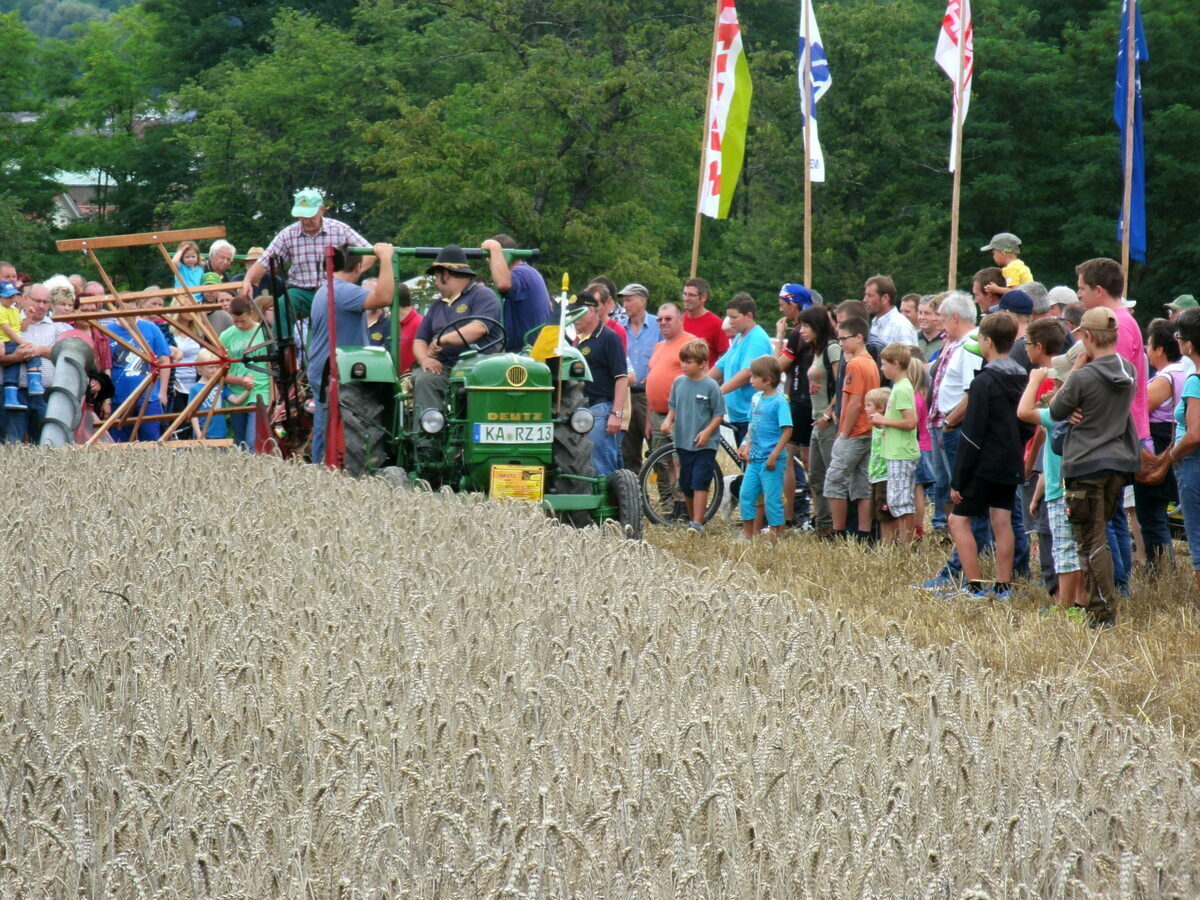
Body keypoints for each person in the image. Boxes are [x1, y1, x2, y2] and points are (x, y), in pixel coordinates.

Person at [1048, 306, 1141, 628]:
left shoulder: (1083, 376)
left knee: (1091, 542)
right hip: (1117, 463)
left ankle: (1102, 613)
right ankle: (1107, 601)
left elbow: (1056, 409)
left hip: (1085, 464)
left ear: (1087, 336)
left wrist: (1076, 369)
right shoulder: (1129, 370)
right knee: (1103, 536)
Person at [947, 312, 1032, 599]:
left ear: (987, 342)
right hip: (1010, 460)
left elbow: (972, 433)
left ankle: (973, 585)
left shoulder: (984, 382)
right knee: (1002, 521)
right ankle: (1003, 585)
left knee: (958, 521)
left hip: (983, 463)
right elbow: (1027, 423)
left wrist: (958, 478)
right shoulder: (1022, 376)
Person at [1075, 258, 1151, 574]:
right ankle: (1118, 581)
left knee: (1103, 515)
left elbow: (1109, 383)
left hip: (1113, 432)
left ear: (1099, 290)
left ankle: (1115, 581)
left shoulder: (1116, 326)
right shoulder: (1122, 321)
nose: (1078, 295)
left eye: (1081, 288)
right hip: (1118, 430)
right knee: (1112, 512)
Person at [240, 189, 374, 336]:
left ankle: (347, 344)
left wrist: (350, 275)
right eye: (301, 217)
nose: (305, 220)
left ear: (321, 210)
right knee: (282, 306)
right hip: (301, 292)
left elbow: (370, 253)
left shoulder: (339, 229)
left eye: (310, 216)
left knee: (350, 309)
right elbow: (264, 261)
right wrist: (248, 280)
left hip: (335, 290)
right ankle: (285, 347)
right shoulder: (287, 234)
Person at [306, 243, 395, 464]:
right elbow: (385, 297)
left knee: (323, 428)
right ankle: (322, 470)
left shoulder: (329, 287)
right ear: (357, 268)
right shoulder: (344, 292)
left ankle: (319, 470)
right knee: (327, 432)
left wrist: (375, 252)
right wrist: (386, 258)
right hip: (337, 372)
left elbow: (360, 264)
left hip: (323, 366)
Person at [1017, 324, 1082, 613]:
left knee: (1065, 553)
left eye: (1057, 386)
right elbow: (1048, 465)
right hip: (1057, 488)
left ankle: (1066, 605)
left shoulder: (1059, 416)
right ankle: (1078, 602)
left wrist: (1035, 380)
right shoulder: (1074, 415)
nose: (1052, 389)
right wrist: (1036, 496)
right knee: (1076, 550)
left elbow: (1023, 411)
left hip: (1061, 493)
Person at [412, 245, 502, 417]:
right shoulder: (437, 306)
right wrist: (425, 359)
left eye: (436, 277)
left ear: (445, 274)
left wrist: (442, 339)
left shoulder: (483, 295)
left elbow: (478, 328)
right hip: (445, 369)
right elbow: (420, 340)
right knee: (425, 379)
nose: (436, 283)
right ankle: (429, 431)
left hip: (481, 368)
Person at [661, 338, 725, 533]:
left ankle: (697, 523)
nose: (684, 365)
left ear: (702, 364)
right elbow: (673, 407)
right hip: (683, 442)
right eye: (682, 361)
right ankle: (692, 520)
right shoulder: (678, 383)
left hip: (704, 445)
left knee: (700, 482)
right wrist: (668, 420)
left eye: (688, 362)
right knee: (686, 484)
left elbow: (718, 414)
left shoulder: (711, 386)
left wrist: (707, 432)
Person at [824, 316, 880, 539]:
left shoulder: (855, 364)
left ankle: (838, 531)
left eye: (844, 339)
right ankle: (864, 532)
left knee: (834, 481)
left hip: (854, 432)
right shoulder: (871, 362)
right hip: (869, 430)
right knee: (862, 484)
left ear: (859, 337)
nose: (841, 344)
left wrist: (844, 433)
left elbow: (855, 402)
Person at [1140, 319, 1188, 572]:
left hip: (1156, 448)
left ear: (1160, 349)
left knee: (1151, 516)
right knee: (1158, 513)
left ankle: (1160, 569)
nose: (1147, 351)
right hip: (1173, 445)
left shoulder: (1165, 378)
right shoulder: (1184, 371)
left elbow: (1140, 411)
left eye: (1149, 345)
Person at [1160, 308, 1200, 594]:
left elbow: (1195, 434)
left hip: (1193, 464)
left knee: (1196, 536)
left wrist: (1171, 457)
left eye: (1179, 335)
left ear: (1189, 344)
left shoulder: (1195, 381)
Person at [570, 290, 627, 476]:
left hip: (599, 410)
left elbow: (622, 377)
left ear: (591, 311)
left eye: (576, 313)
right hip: (580, 413)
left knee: (602, 467)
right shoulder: (576, 341)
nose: (573, 319)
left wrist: (616, 414)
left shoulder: (609, 337)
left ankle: (609, 495)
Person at [736, 355, 792, 542]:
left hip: (771, 460)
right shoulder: (756, 399)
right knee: (746, 495)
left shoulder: (780, 402)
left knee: (772, 500)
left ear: (767, 380)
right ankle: (748, 535)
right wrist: (746, 445)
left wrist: (774, 455)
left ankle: (776, 538)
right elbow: (752, 424)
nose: (750, 380)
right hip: (754, 459)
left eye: (754, 377)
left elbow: (787, 430)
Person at [644, 303, 692, 515]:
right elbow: (651, 381)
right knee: (663, 464)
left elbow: (699, 378)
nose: (663, 322)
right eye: (660, 319)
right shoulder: (658, 347)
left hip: (681, 414)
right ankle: (671, 506)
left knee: (680, 461)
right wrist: (649, 418)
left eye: (668, 318)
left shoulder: (691, 344)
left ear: (681, 319)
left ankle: (685, 505)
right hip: (657, 414)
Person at [869, 343, 919, 543]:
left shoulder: (901, 389)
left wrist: (884, 420)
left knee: (902, 502)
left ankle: (907, 545)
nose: (882, 368)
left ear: (896, 363)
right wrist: (885, 424)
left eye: (884, 364)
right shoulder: (899, 388)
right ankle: (904, 543)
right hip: (895, 451)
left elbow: (910, 422)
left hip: (901, 452)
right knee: (897, 501)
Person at [709, 293, 773, 446]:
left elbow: (747, 373)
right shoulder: (739, 337)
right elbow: (721, 365)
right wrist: (699, 385)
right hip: (739, 415)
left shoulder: (757, 339)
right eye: (729, 317)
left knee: (752, 459)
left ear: (749, 316)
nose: (730, 322)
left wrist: (717, 392)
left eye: (734, 317)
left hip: (752, 416)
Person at [801, 305, 839, 537]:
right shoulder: (817, 351)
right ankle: (822, 523)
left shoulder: (832, 349)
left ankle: (834, 524)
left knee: (830, 474)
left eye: (806, 325)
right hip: (817, 420)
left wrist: (828, 413)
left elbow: (841, 384)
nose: (802, 331)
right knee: (815, 475)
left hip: (829, 422)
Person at [108, 304, 171, 443]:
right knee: (119, 442)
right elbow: (105, 366)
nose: (129, 314)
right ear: (117, 310)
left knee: (151, 440)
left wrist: (163, 392)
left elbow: (164, 360)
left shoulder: (151, 328)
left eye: (133, 309)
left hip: (149, 396)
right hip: (119, 397)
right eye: (125, 310)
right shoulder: (108, 331)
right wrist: (106, 399)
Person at [482, 234, 552, 352]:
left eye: (490, 260)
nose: (490, 266)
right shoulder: (528, 272)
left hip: (528, 353)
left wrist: (494, 248)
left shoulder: (522, 273)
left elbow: (503, 284)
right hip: (525, 350)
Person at [220, 297, 271, 451]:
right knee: (241, 443)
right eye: (236, 322)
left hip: (260, 390)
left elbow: (272, 366)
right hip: (236, 394)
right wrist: (240, 381)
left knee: (252, 441)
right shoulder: (226, 336)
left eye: (243, 321)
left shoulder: (264, 332)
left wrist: (273, 397)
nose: (239, 325)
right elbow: (219, 371)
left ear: (250, 313)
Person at [619, 283, 659, 471]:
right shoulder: (619, 328)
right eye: (624, 301)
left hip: (649, 396)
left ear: (642, 301)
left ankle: (664, 490)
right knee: (627, 452)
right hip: (625, 395)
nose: (625, 305)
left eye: (629, 300)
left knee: (656, 448)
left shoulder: (659, 325)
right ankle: (633, 487)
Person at [1, 280, 42, 410]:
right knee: (31, 353)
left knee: (12, 368)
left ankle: (11, 398)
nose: (11, 299)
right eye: (7, 297)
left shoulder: (14, 310)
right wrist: (22, 342)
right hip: (7, 342)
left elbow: (22, 327)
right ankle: (33, 382)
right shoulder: (1, 310)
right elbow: (8, 330)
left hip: (15, 340)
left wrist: (28, 317)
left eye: (12, 296)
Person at [189, 349, 245, 441]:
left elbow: (236, 400)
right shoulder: (195, 389)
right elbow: (192, 414)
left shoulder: (220, 385)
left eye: (217, 367)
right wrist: (199, 434)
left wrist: (248, 390)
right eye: (211, 367)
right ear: (200, 368)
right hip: (204, 433)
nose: (214, 370)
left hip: (220, 432)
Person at [864, 387, 894, 541]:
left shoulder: (886, 428)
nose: (865, 409)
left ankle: (889, 544)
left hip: (885, 475)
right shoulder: (875, 428)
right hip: (876, 475)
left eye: (868, 405)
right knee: (877, 512)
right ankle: (884, 542)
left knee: (885, 513)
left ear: (881, 408)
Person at [680, 277, 729, 364]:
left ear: (703, 297)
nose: (686, 299)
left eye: (691, 295)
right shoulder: (679, 321)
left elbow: (725, 357)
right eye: (684, 294)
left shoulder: (716, 323)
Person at [864, 275, 917, 348]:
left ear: (885, 298)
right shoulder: (875, 324)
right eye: (866, 295)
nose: (865, 300)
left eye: (870, 296)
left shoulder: (901, 326)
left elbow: (909, 355)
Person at [980, 232, 1033, 297]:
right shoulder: (1020, 265)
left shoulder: (1011, 268)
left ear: (1003, 254)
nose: (993, 257)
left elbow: (1014, 291)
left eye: (994, 254)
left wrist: (996, 289)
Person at [917, 295, 945, 363]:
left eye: (927, 313)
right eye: (920, 313)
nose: (922, 317)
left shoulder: (946, 341)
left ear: (937, 315)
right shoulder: (912, 337)